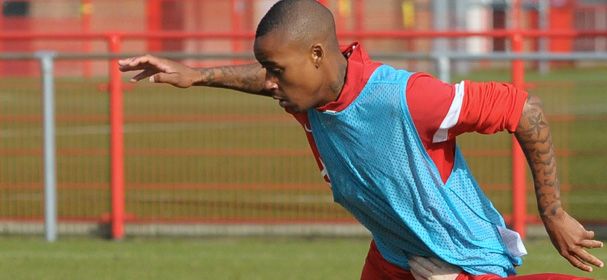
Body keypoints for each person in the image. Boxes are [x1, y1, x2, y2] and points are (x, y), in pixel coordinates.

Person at [118, 0, 604, 279]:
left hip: (463, 261)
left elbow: (524, 108)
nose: (270, 83)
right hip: (393, 257)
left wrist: (553, 212)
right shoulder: (306, 97)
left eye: (277, 71)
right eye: (268, 70)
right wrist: (198, 76)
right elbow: (264, 77)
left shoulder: (406, 99)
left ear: (315, 55)